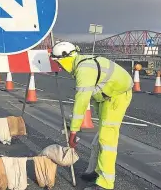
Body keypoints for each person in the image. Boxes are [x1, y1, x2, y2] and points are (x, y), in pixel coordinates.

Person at [50, 41, 133, 190]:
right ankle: (96, 172)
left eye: (59, 62)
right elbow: (94, 93)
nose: (60, 67)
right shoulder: (81, 64)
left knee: (106, 140)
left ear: (65, 58)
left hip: (116, 97)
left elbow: (81, 101)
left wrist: (73, 131)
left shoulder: (84, 70)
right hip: (106, 97)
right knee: (99, 139)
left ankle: (106, 183)